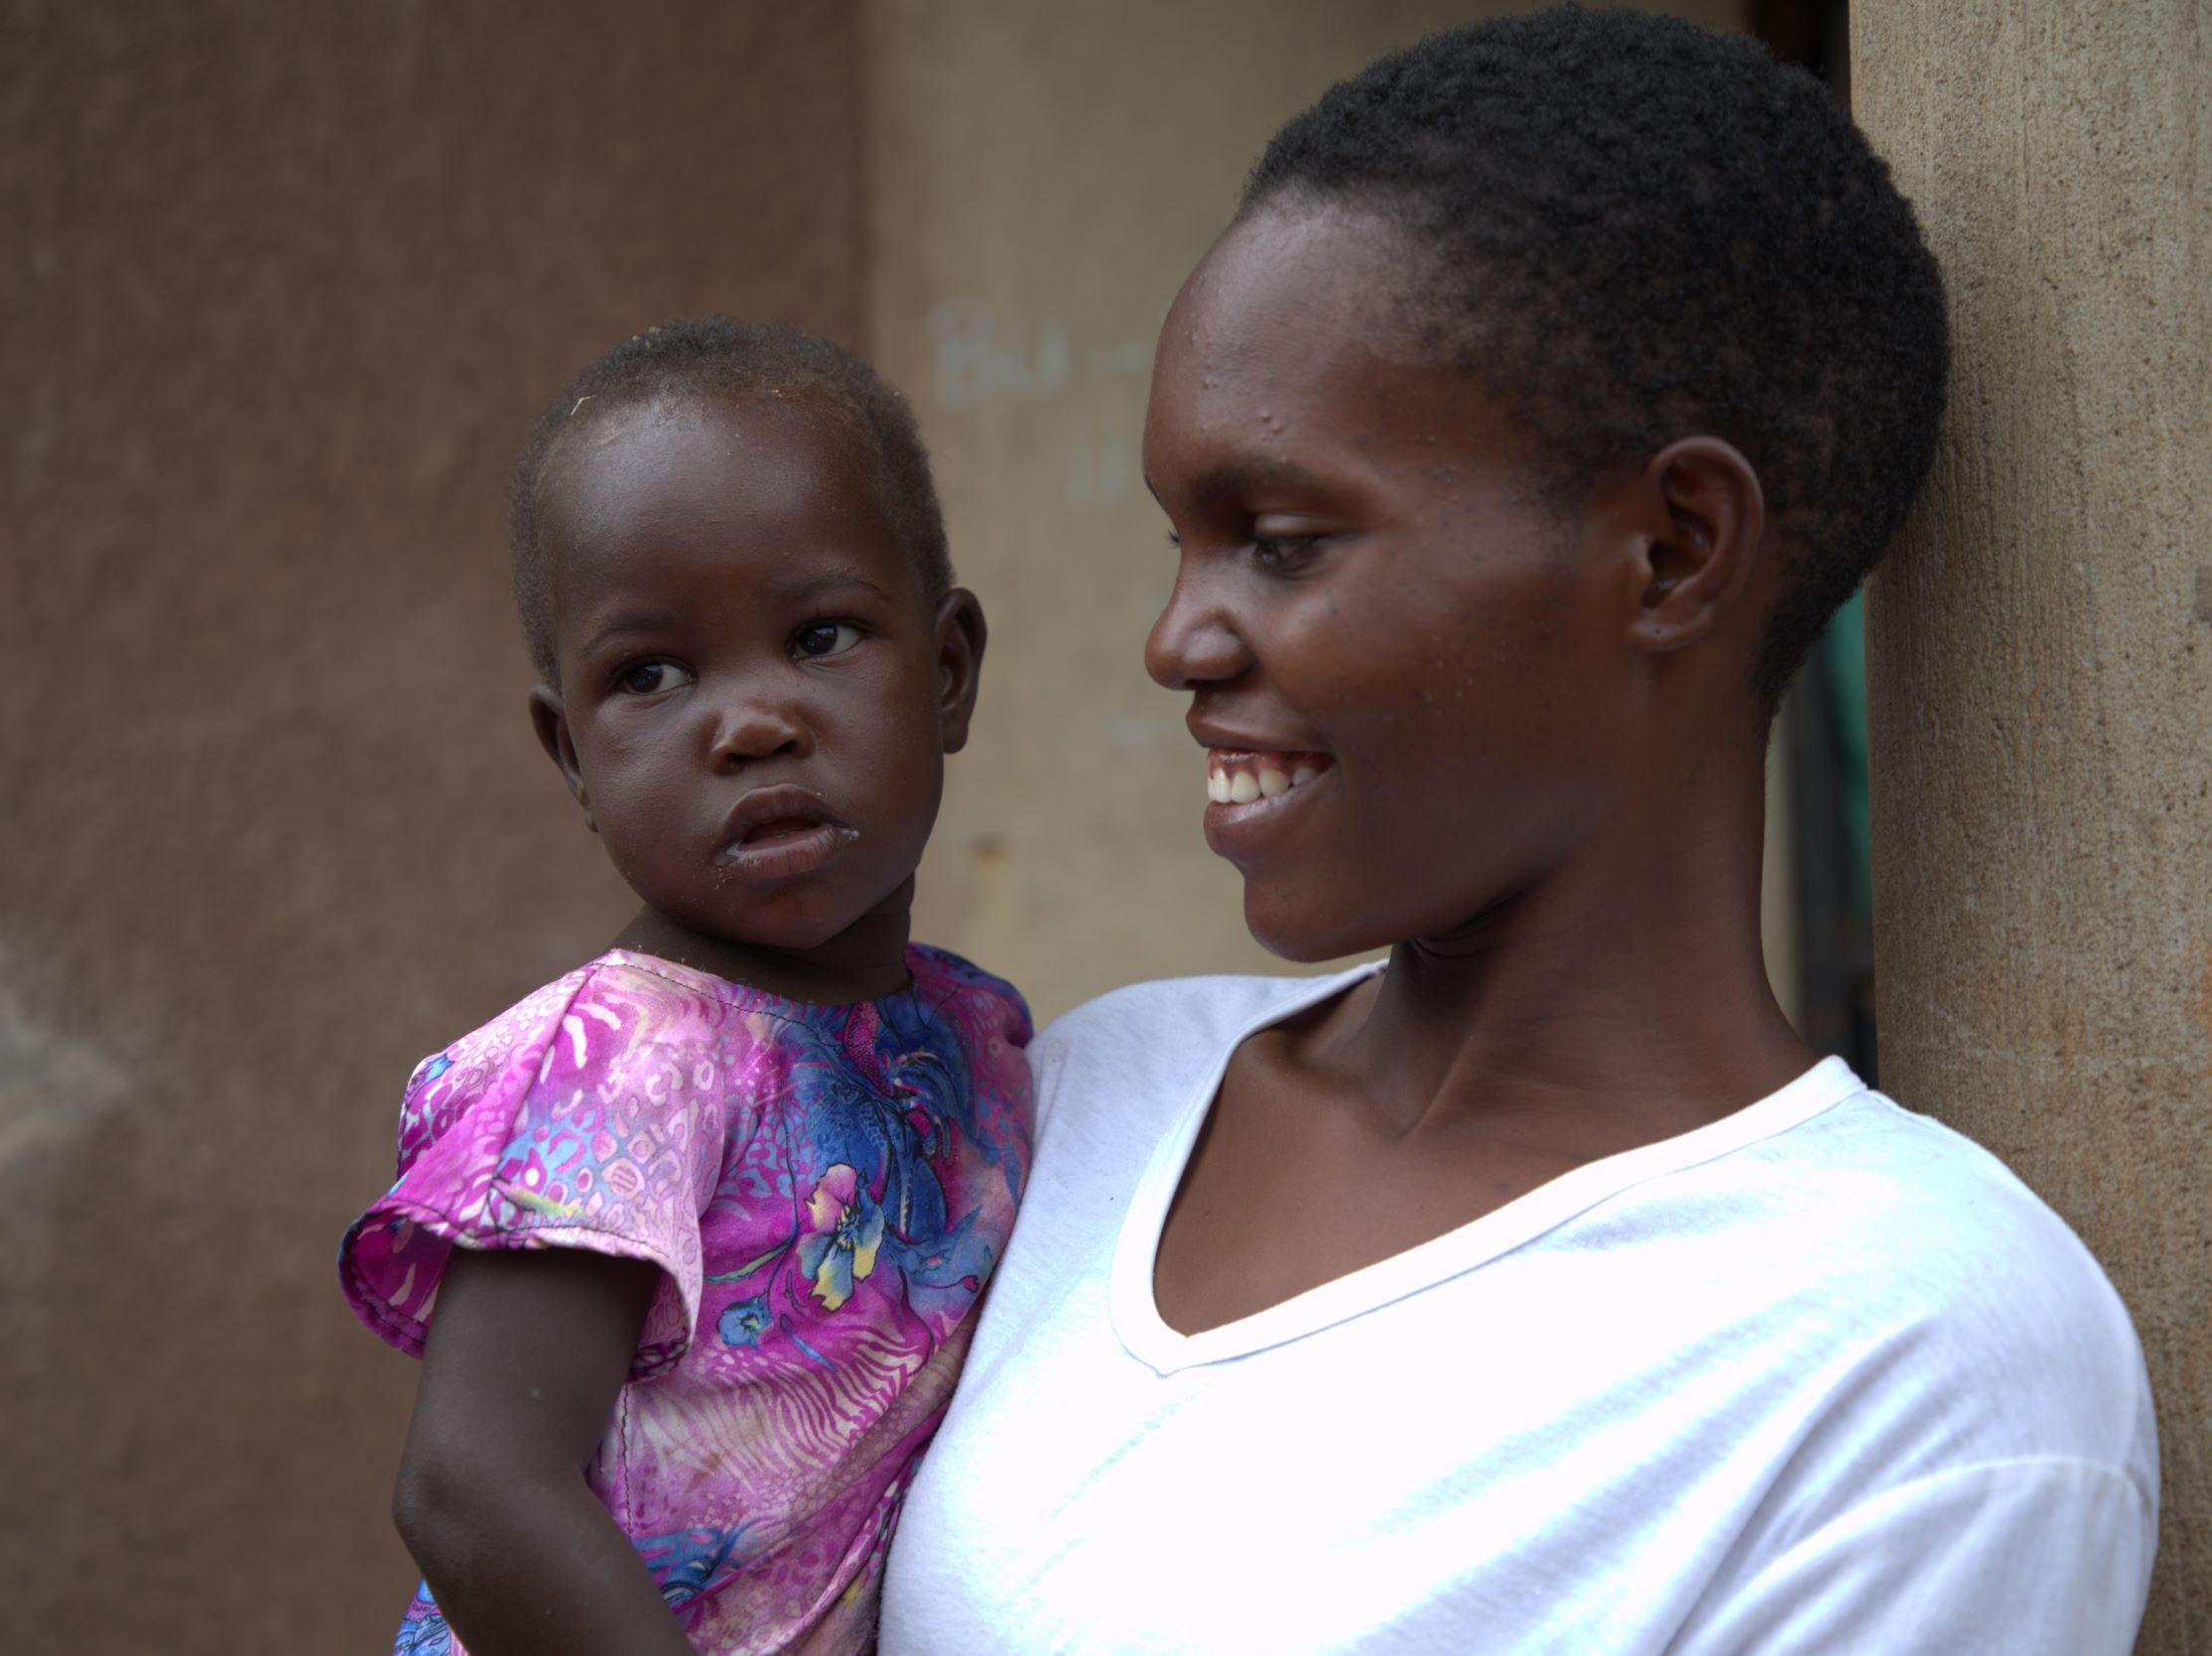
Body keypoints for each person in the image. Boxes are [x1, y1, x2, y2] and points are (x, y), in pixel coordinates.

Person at [880, 10, 2156, 1653]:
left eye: (1278, 540)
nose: (1177, 639)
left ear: (1673, 552)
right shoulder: (1084, 1104)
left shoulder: (1920, 1369)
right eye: (1183, 542)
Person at [339, 318, 1035, 1656]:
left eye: (821, 634)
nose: (750, 720)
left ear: (947, 670)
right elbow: (476, 1488)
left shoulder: (978, 1039)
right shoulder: (621, 1066)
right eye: (649, 675)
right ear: (573, 757)